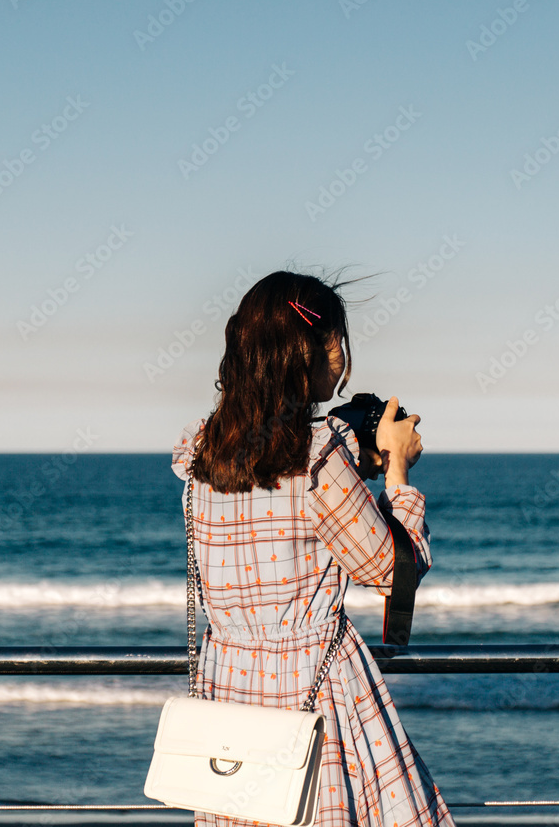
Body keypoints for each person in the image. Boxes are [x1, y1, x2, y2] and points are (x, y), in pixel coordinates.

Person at [171, 269, 456, 827]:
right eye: (336, 340)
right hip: (315, 693)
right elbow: (392, 570)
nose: (340, 357)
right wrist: (396, 468)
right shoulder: (318, 457)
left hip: (229, 689)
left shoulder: (203, 452)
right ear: (312, 347)